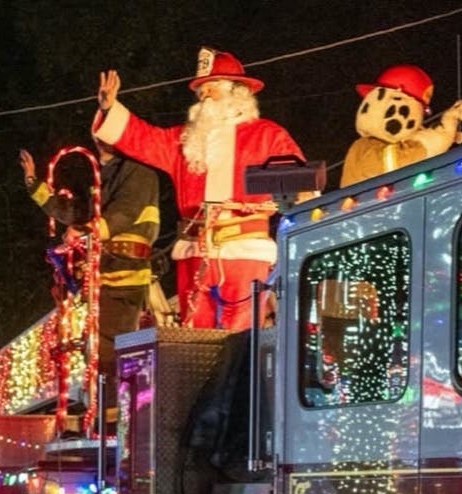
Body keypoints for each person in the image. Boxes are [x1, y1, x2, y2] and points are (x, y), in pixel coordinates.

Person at [94, 47, 308, 330]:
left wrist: (304, 219)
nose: (204, 98)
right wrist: (110, 108)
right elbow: (143, 138)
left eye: (212, 90)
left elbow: (302, 184)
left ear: (237, 92)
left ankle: (242, 375)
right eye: (201, 92)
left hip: (243, 251)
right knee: (195, 334)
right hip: (194, 252)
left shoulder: (267, 135)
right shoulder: (185, 141)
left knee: (241, 336)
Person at [19, 141, 159, 407]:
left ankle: (111, 411)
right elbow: (75, 212)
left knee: (108, 346)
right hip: (104, 274)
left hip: (125, 273)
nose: (99, 144)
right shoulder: (105, 178)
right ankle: (102, 406)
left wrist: (86, 232)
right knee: (94, 345)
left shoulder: (139, 172)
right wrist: (33, 184)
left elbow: (124, 213)